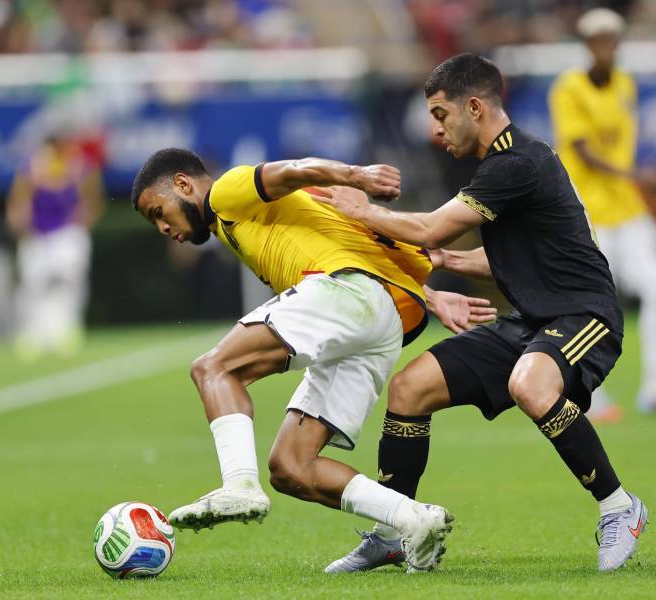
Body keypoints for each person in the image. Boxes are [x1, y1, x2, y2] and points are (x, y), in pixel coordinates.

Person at [315, 54, 646, 573]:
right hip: (532, 321)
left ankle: (620, 508)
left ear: (474, 106)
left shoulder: (518, 162)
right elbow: (511, 259)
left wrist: (364, 211)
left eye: (441, 114)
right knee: (409, 390)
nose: (435, 129)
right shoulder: (506, 167)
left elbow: (428, 229)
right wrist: (446, 261)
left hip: (586, 316)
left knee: (531, 386)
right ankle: (393, 533)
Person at [130, 149, 498, 572]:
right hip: (379, 319)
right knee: (291, 466)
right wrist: (430, 296)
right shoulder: (255, 220)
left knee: (213, 368)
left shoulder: (225, 193)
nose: (162, 227)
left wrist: (357, 175)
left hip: (345, 294)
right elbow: (361, 246)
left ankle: (239, 484)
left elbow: (293, 168)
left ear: (183, 184)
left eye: (159, 212)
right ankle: (412, 520)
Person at [548, 8, 656, 422]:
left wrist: (640, 184)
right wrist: (637, 174)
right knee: (592, 302)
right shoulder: (569, 88)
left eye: (611, 38)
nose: (605, 46)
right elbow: (581, 150)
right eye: (597, 39)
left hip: (626, 208)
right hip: (587, 211)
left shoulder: (625, 85)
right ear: (586, 44)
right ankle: (587, 392)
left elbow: (622, 146)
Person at [7, 134, 104, 359]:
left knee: (69, 279)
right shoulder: (34, 164)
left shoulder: (79, 164)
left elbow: (93, 194)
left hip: (66, 231)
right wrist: (19, 219)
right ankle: (33, 334)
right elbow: (20, 197)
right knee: (34, 285)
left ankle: (66, 330)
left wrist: (82, 221)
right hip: (38, 233)